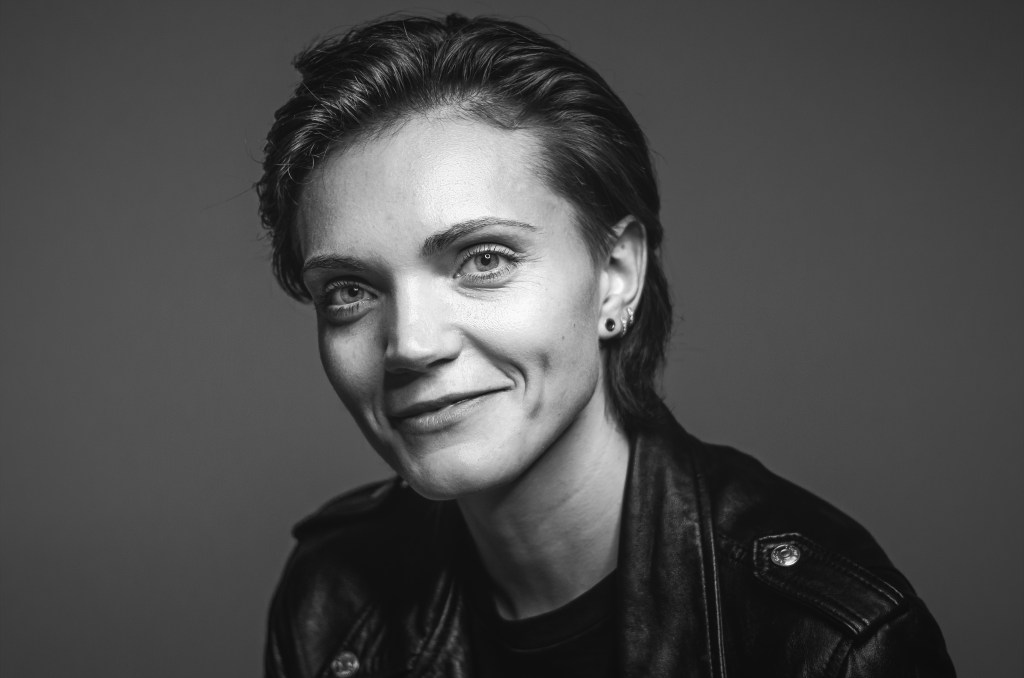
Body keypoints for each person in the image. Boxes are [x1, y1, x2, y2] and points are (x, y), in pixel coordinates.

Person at [257, 14, 955, 677]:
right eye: (349, 290)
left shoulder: (829, 642)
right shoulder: (332, 600)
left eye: (484, 259)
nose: (410, 345)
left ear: (616, 275)